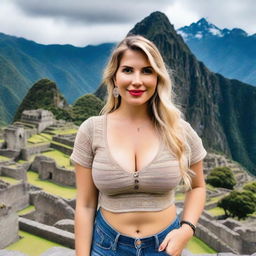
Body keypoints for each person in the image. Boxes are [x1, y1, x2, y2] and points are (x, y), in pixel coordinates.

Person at [70, 35, 207, 256]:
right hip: (107, 247)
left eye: (146, 71)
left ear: (158, 78)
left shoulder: (180, 131)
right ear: (114, 78)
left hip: (165, 246)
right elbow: (85, 205)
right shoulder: (91, 130)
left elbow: (198, 187)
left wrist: (187, 229)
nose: (137, 81)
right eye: (127, 70)